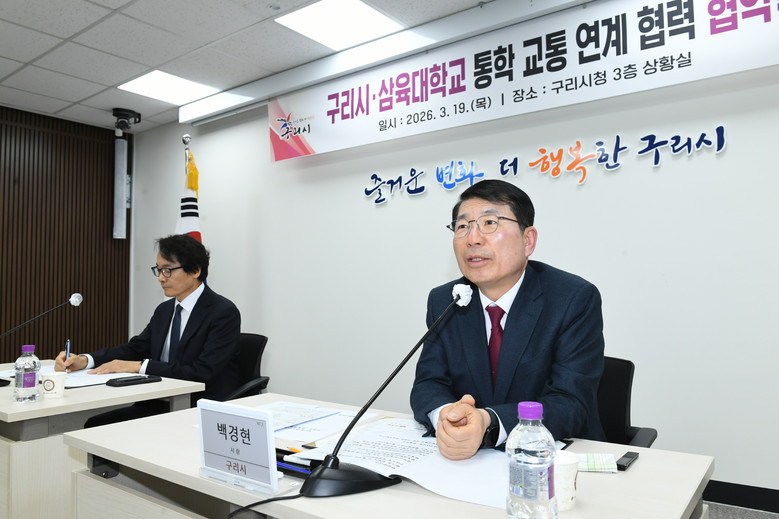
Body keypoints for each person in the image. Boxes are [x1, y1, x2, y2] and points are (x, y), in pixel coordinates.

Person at [410, 179, 605, 460]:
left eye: (489, 223)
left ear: (528, 241)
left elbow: (570, 403)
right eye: (462, 226)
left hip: (551, 459)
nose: (473, 239)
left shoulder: (572, 298)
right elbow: (428, 384)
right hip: (469, 463)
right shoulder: (445, 300)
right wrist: (447, 416)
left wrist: (489, 421)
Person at [56, 234, 241, 426]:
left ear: (195, 270)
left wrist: (139, 366)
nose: (160, 278)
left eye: (168, 271)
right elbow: (135, 348)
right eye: (158, 270)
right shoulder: (165, 310)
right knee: (96, 425)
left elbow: (201, 372)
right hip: (159, 401)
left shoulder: (222, 312)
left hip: (200, 406)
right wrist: (85, 360)